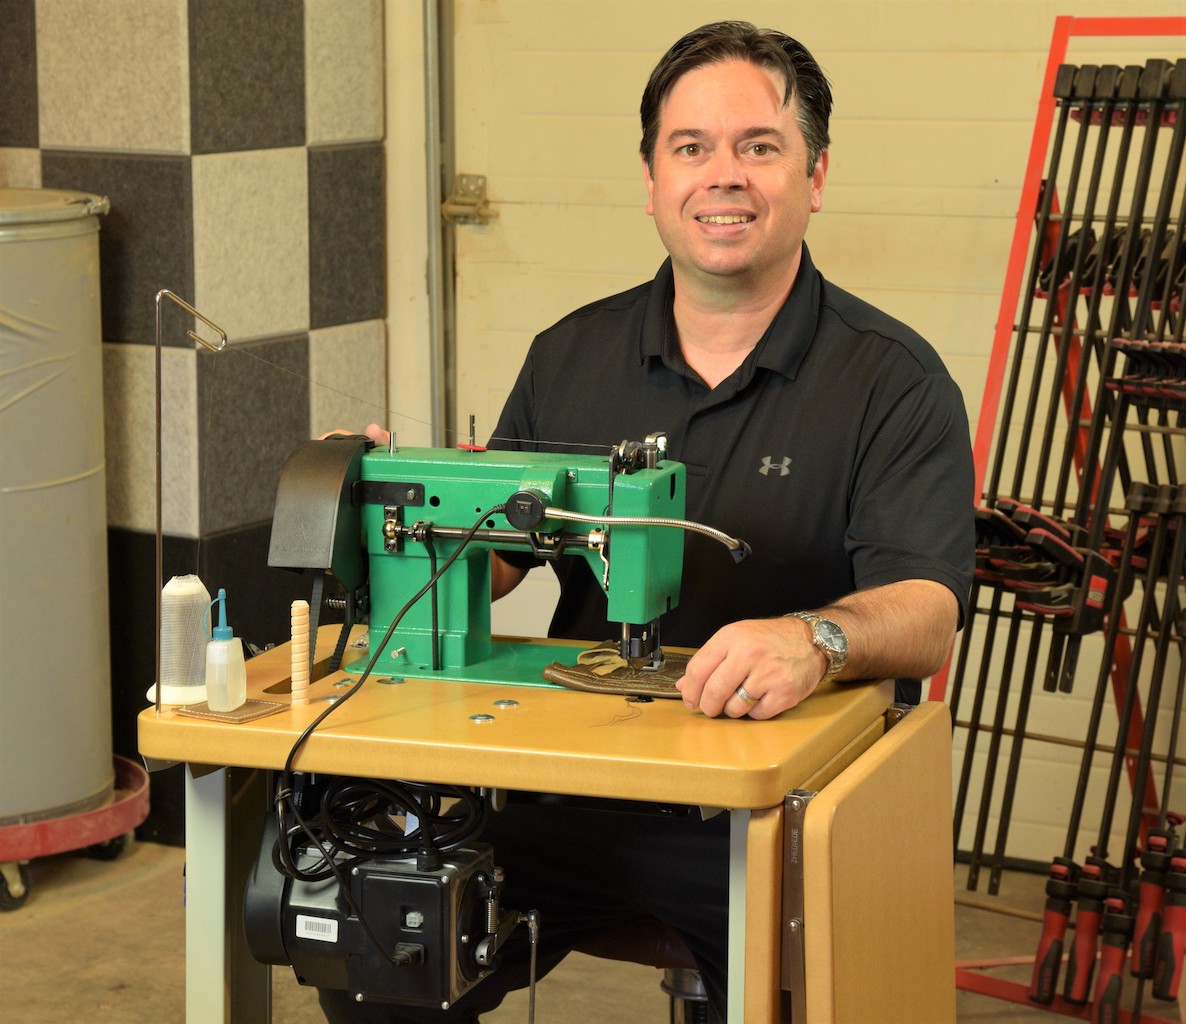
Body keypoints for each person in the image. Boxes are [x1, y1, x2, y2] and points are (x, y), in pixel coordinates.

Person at [320, 20, 973, 1024]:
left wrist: (817, 638)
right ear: (651, 175)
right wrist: (391, 503)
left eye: (759, 147)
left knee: (791, 993)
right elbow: (493, 560)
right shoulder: (569, 354)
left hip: (769, 812)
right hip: (563, 793)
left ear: (814, 174)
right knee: (379, 945)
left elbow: (927, 606)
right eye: (691, 147)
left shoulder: (891, 380)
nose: (724, 176)